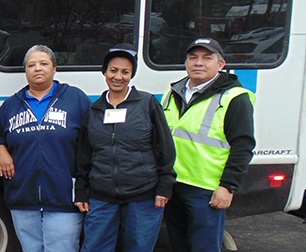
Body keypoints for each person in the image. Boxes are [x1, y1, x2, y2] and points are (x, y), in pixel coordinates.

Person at [0, 44, 90, 252]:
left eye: (44, 63)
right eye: (31, 65)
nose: (37, 68)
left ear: (54, 68)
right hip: (23, 198)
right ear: (26, 71)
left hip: (64, 198)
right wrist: (1, 152)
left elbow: (92, 141)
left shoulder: (75, 99)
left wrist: (84, 188)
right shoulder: (12, 105)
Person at [74, 43, 177, 252]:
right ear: (104, 72)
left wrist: (165, 185)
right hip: (101, 196)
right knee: (94, 248)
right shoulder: (94, 110)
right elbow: (84, 155)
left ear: (131, 75)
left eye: (125, 72)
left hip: (144, 195)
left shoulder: (147, 104)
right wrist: (82, 191)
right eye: (113, 70)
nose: (118, 77)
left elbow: (165, 147)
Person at [161, 38, 255, 252]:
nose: (199, 63)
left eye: (207, 58)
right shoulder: (172, 93)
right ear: (186, 62)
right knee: (179, 244)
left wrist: (227, 186)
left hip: (206, 189)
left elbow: (243, 146)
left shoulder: (234, 98)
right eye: (193, 58)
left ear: (221, 65)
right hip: (173, 184)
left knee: (204, 247)